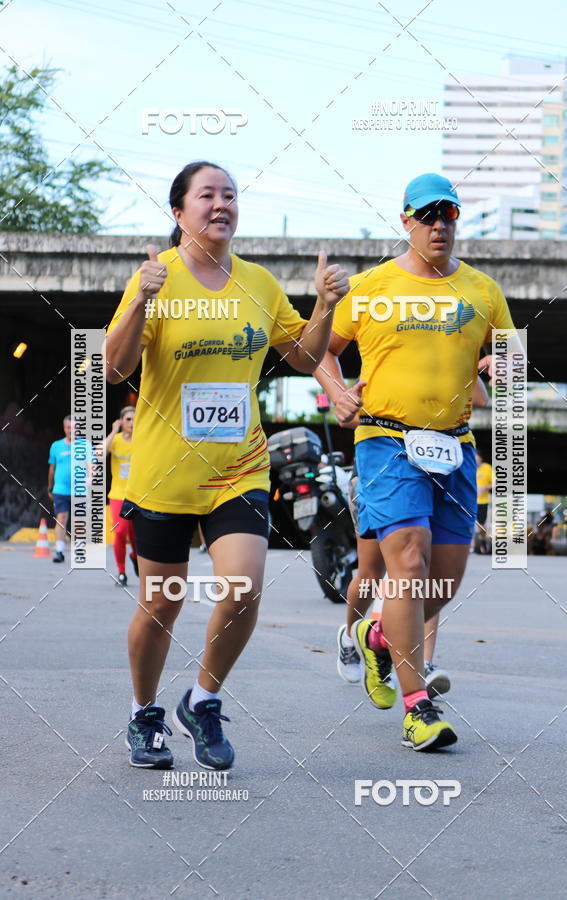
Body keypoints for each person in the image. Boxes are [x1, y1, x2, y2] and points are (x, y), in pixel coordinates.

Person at [105, 160, 349, 770]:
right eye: (207, 195)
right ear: (179, 211)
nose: (222, 205)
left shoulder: (259, 284)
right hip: (165, 472)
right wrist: (139, 301)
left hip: (239, 467)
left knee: (242, 587)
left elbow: (302, 355)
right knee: (162, 602)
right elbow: (112, 367)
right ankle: (144, 715)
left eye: (230, 196)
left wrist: (322, 306)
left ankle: (203, 700)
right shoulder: (153, 281)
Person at [316, 172, 515, 751]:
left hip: (456, 445)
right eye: (427, 216)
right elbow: (323, 352)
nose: (438, 225)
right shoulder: (372, 285)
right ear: (405, 220)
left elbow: (507, 354)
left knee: (442, 582)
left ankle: (378, 636)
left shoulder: (482, 290)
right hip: (386, 440)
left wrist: (502, 368)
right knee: (408, 561)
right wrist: (338, 391)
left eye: (448, 215)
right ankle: (417, 706)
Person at [334, 376, 488, 698]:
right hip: (382, 469)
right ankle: (351, 638)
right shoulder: (385, 359)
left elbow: (481, 400)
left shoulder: (450, 354)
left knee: (422, 572)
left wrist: (472, 366)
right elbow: (349, 416)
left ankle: (419, 660)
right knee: (371, 572)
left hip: (439, 470)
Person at [102, 407, 138, 586]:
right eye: (128, 419)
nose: (132, 423)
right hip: (118, 495)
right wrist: (113, 430)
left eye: (134, 420)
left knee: (136, 537)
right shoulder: (115, 440)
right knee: (120, 532)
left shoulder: (142, 439)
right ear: (122, 421)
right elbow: (99, 454)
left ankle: (135, 556)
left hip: (139, 495)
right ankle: (122, 571)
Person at [47, 415, 73, 563]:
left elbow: (92, 467)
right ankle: (59, 551)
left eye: (74, 427)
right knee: (61, 518)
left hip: (80, 490)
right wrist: (50, 487)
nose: (71, 430)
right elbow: (52, 469)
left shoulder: (86, 446)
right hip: (60, 489)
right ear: (64, 428)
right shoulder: (56, 446)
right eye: (68, 427)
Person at [474, 450, 493, 554]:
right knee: (475, 524)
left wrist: (484, 487)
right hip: (471, 500)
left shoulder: (487, 468)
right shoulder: (470, 467)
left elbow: (496, 483)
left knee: (481, 524)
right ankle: (479, 544)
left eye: (476, 458)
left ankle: (483, 541)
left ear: (480, 458)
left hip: (483, 501)